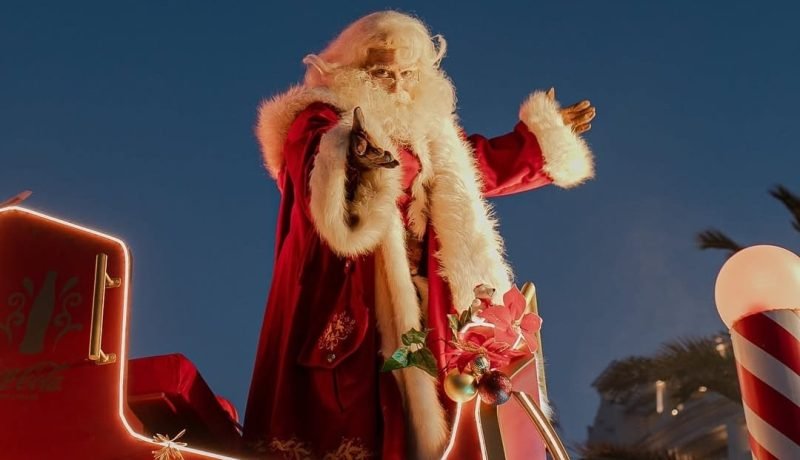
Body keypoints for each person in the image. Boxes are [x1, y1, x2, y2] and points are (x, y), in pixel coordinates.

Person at [245, 11, 596, 460]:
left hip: (431, 294)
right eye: (381, 72)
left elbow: (477, 168)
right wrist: (351, 154)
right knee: (363, 408)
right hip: (359, 291)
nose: (395, 82)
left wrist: (541, 140)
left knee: (441, 403)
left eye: (407, 73)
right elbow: (315, 161)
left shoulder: (429, 133)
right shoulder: (320, 116)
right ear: (352, 71)